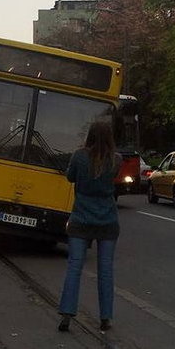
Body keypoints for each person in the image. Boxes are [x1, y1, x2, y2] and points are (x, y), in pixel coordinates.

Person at [58, 120, 121, 333]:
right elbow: (113, 180)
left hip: (81, 218)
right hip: (107, 220)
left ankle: (67, 313)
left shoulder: (79, 156)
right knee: (105, 270)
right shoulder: (116, 160)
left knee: (74, 266)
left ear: (90, 135)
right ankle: (106, 317)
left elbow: (70, 177)